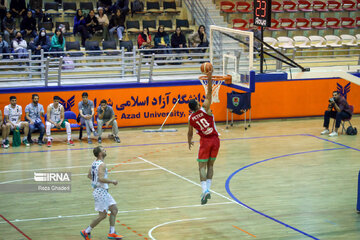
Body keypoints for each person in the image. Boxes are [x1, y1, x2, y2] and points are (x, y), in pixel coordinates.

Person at [187, 69, 220, 205]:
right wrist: (209, 77)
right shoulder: (206, 108)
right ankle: (208, 189)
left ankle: (205, 190)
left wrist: (189, 142)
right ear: (198, 105)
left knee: (201, 166)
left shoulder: (191, 118)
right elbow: (209, 93)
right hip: (216, 140)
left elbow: (189, 133)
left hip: (205, 142)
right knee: (211, 165)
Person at [80, 146, 123, 240]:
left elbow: (89, 175)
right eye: (103, 150)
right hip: (100, 192)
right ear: (100, 153)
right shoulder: (102, 164)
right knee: (102, 215)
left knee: (114, 209)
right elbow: (101, 178)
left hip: (101, 191)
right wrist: (112, 181)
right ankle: (86, 231)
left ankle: (112, 233)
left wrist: (95, 183)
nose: (105, 150)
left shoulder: (94, 163)